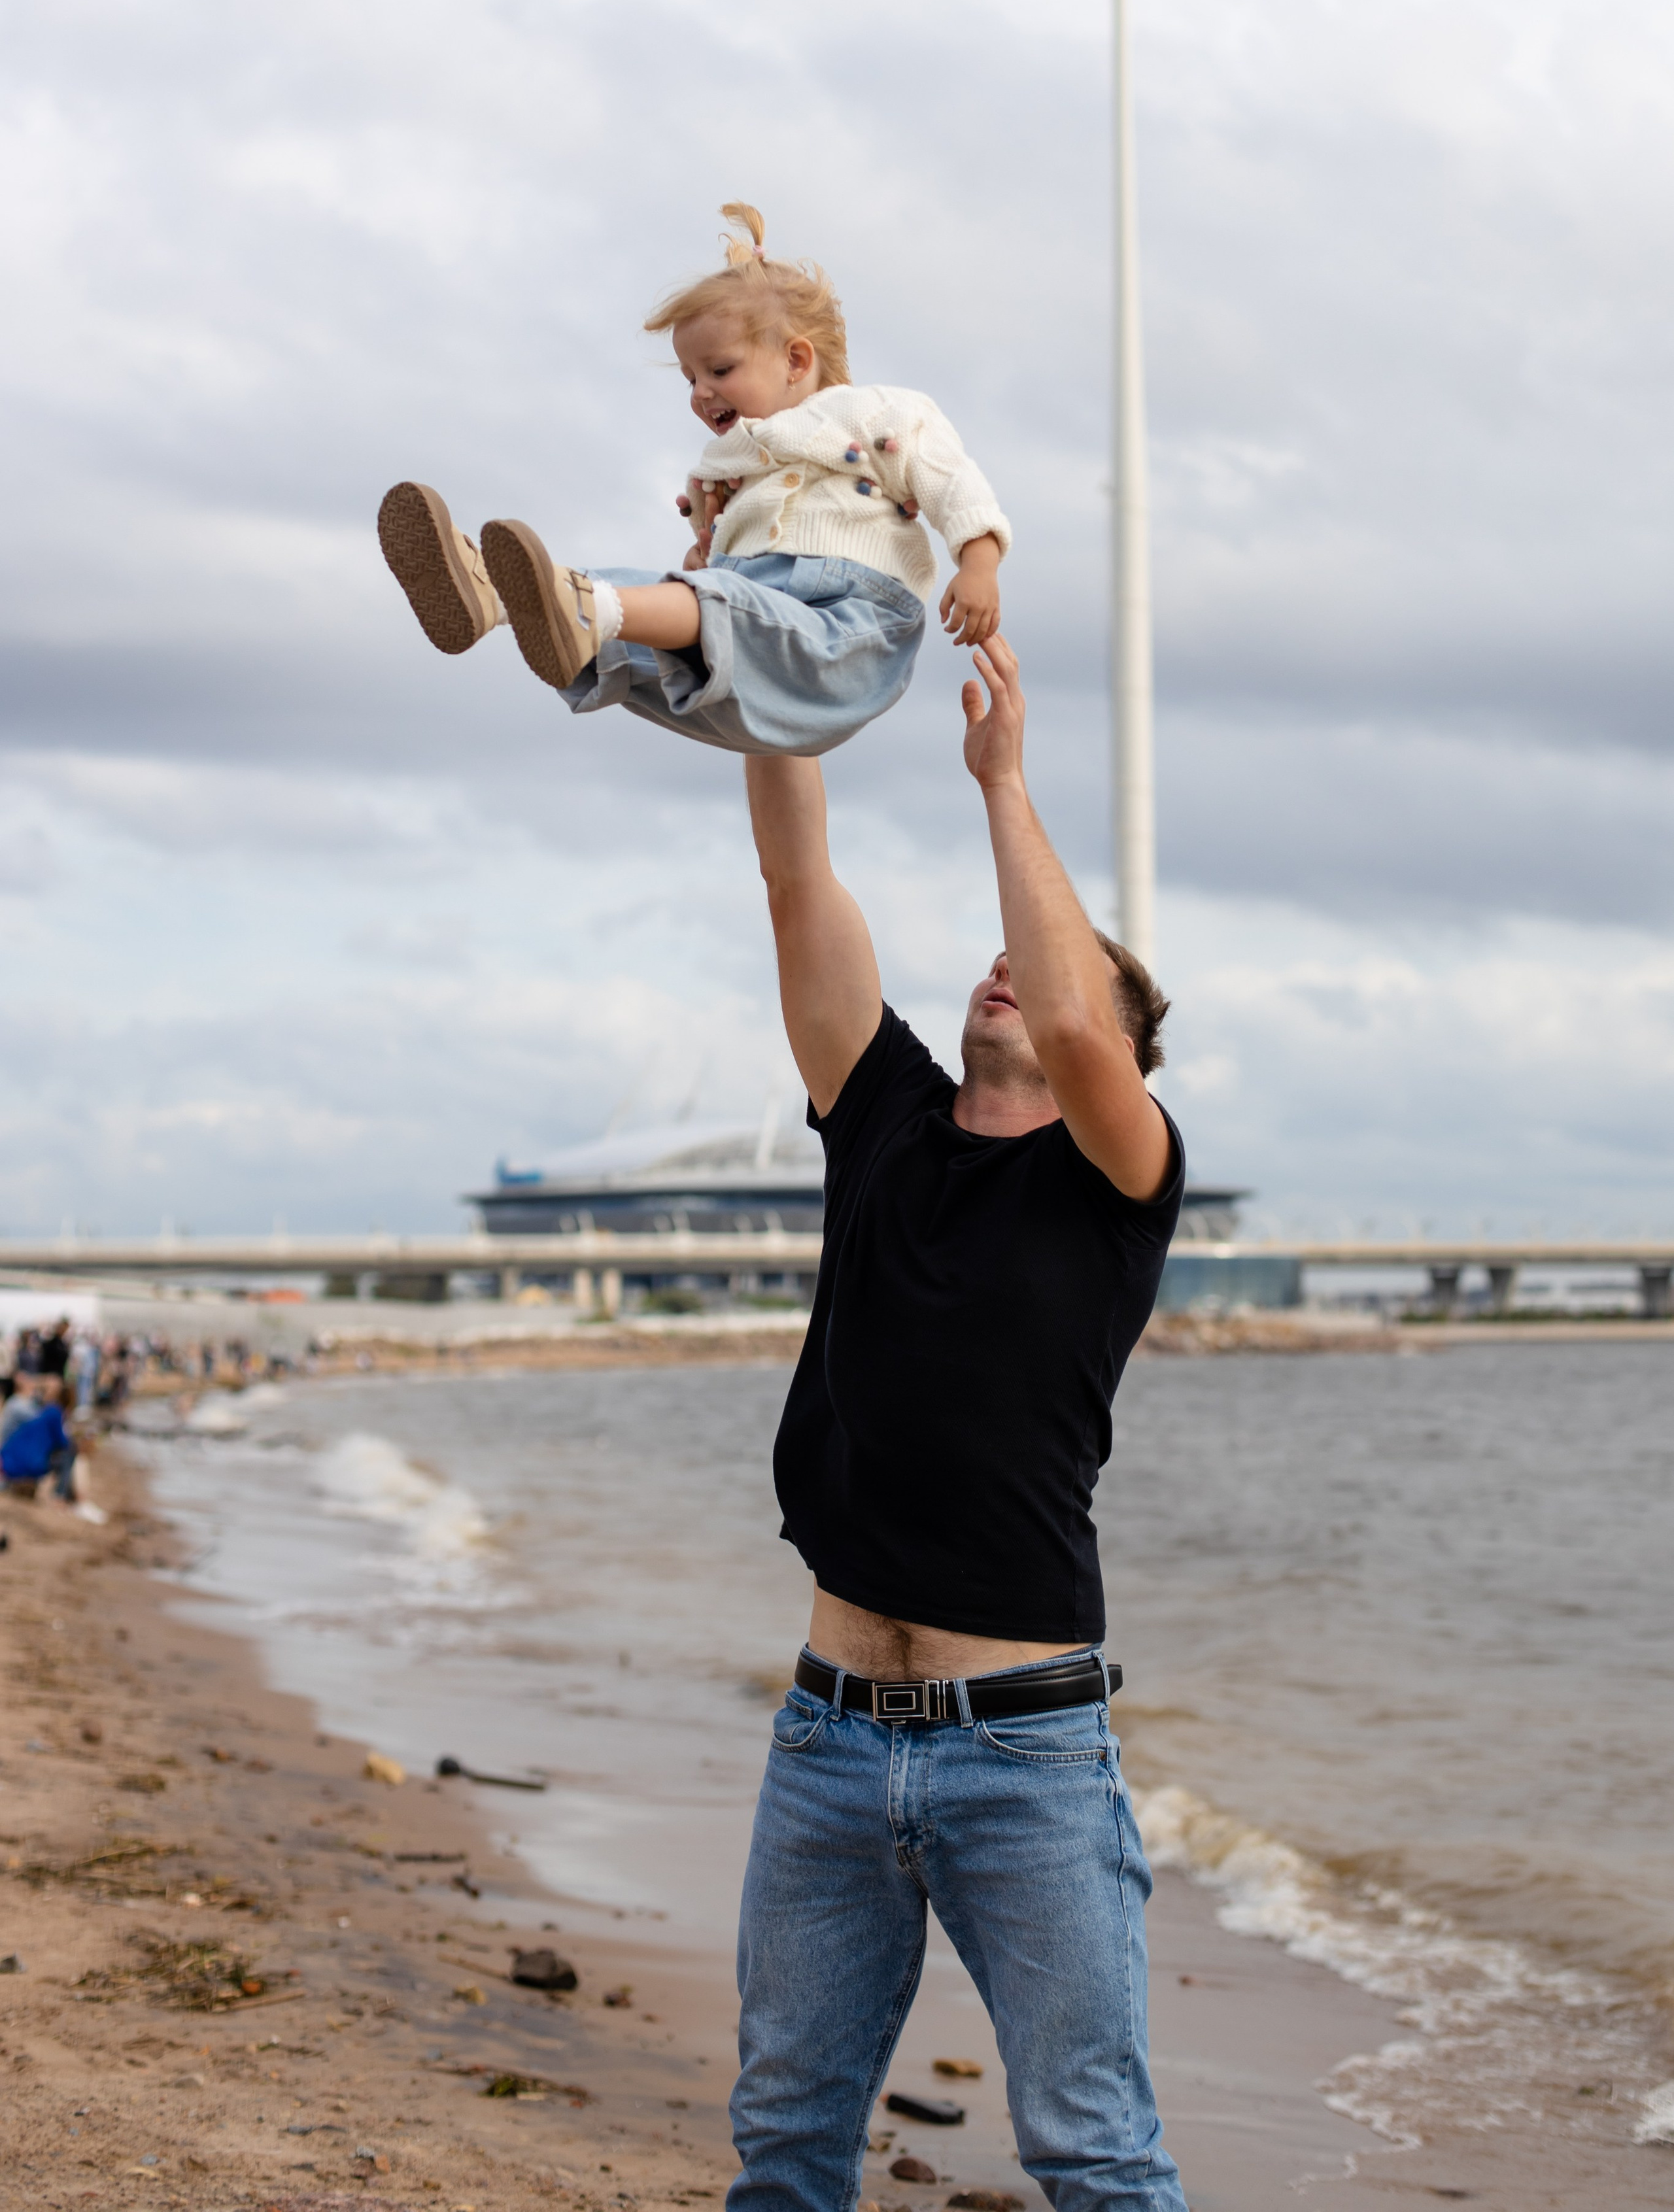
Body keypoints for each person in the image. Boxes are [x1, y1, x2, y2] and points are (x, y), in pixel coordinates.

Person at [730, 634, 1189, 2212]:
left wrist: (1002, 784)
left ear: (1121, 1049)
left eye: (1063, 965)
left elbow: (1073, 1026)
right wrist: (754, 658)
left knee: (1090, 2149)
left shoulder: (1115, 1175)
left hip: (1028, 1753)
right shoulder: (881, 1116)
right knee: (785, 2138)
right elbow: (800, 886)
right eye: (995, 951)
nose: (1014, 967)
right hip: (828, 1735)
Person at [377, 204, 1010, 757]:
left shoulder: (874, 412)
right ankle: (493, 597)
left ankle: (580, 605)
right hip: (746, 663)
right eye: (689, 378)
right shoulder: (727, 467)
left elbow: (952, 481)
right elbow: (713, 561)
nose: (701, 393)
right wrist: (706, 557)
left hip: (848, 631)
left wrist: (977, 563)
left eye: (720, 369)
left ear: (796, 360)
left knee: (704, 603)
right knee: (649, 598)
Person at [1, 1374, 78, 1501]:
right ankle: (61, 1494)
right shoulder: (54, 1413)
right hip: (28, 1461)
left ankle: (63, 1493)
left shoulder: (46, 1410)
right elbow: (62, 1442)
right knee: (70, 1453)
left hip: (13, 1454)